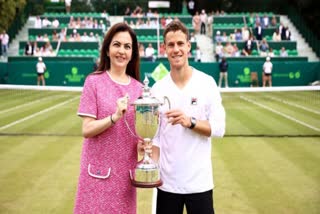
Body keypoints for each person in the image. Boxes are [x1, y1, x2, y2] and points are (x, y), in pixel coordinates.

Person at [147, 21, 226, 214]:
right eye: (171, 45)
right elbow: (156, 139)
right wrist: (150, 168)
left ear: (188, 46)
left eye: (180, 44)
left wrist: (189, 122)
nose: (176, 49)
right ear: (164, 48)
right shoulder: (157, 89)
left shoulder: (207, 83)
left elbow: (219, 128)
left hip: (199, 185)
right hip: (166, 186)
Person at [74, 22, 143, 214]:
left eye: (127, 47)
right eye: (117, 45)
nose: (122, 51)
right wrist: (114, 117)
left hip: (125, 181)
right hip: (95, 178)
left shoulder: (140, 90)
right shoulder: (93, 82)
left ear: (133, 53)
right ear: (107, 50)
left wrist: (144, 146)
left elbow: (137, 138)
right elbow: (86, 130)